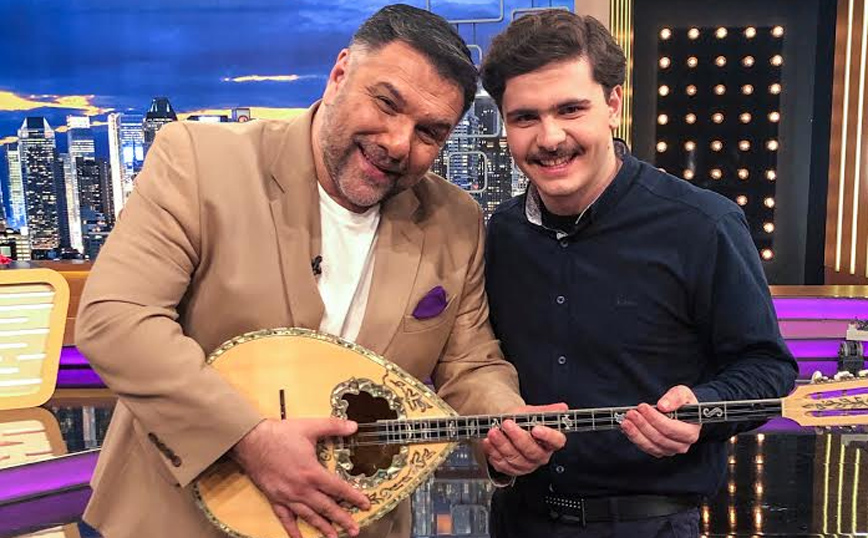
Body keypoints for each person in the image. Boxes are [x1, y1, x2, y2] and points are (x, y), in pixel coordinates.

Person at [75, 5, 566, 538]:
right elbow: (117, 318)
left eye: (430, 132)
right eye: (386, 103)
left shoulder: (455, 219)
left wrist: (504, 420)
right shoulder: (199, 160)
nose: (398, 143)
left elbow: (468, 362)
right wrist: (248, 438)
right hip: (175, 518)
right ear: (339, 74)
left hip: (353, 521)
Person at [479, 10, 799, 538]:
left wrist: (704, 409)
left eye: (570, 109)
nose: (550, 137)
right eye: (525, 117)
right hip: (518, 519)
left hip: (651, 524)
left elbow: (767, 368)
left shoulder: (703, 224)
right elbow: (480, 366)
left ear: (613, 104)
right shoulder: (502, 234)